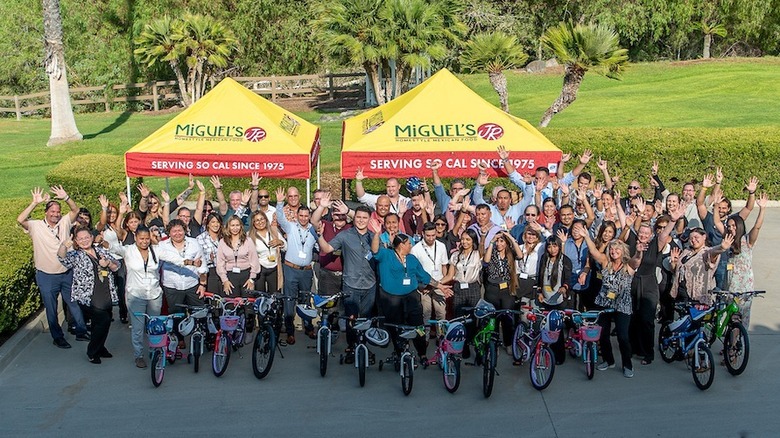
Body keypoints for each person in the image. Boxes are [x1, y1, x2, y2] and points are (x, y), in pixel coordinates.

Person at [17, 186, 89, 349]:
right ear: (46, 212)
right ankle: (58, 337)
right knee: (51, 308)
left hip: (66, 272)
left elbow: (75, 209)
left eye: (58, 211)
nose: (56, 214)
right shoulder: (36, 226)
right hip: (46, 275)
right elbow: (20, 219)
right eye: (52, 211)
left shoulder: (64, 222)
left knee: (73, 303)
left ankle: (81, 331)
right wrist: (34, 203)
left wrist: (66, 197)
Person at [109, 226, 189, 368]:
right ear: (135, 238)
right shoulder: (128, 250)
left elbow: (172, 257)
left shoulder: (156, 250)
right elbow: (113, 247)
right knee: (138, 328)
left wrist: (188, 262)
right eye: (141, 239)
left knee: (154, 326)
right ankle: (138, 355)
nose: (144, 242)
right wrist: (99, 241)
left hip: (154, 294)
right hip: (135, 295)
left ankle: (154, 351)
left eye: (147, 238)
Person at [371, 231, 452, 363]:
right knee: (396, 326)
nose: (411, 246)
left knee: (418, 326)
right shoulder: (387, 254)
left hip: (411, 297)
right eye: (409, 243)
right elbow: (374, 250)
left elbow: (424, 276)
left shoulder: (412, 259)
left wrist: (440, 286)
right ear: (401, 245)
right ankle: (399, 351)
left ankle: (422, 352)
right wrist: (376, 234)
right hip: (391, 298)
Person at [317, 206, 377, 358]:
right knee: (351, 319)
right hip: (351, 283)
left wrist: (377, 234)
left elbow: (376, 252)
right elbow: (328, 248)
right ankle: (351, 346)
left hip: (369, 284)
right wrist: (320, 236)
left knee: (366, 319)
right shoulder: (345, 235)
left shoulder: (373, 236)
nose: (361, 220)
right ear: (354, 218)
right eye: (358, 217)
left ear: (369, 219)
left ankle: (363, 346)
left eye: (364, 218)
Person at [57, 225, 120, 363]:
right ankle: (92, 351)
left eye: (87, 237)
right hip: (88, 295)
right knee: (101, 321)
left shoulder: (100, 251)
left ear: (92, 237)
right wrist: (64, 245)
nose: (84, 241)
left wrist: (108, 263)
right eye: (81, 239)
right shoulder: (76, 254)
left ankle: (100, 347)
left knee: (106, 320)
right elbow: (62, 259)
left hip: (105, 291)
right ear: (77, 242)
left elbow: (116, 266)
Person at [584, 236, 640, 378]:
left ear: (623, 251)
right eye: (612, 249)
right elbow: (594, 251)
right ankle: (608, 360)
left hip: (623, 304)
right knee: (602, 334)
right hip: (604, 302)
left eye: (617, 249)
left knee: (622, 336)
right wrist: (586, 236)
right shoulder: (605, 262)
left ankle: (627, 364)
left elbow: (636, 261)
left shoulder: (628, 265)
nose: (614, 251)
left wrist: (639, 252)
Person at [715, 193, 768, 329]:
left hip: (744, 287)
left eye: (734, 226)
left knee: (742, 319)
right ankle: (729, 344)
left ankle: (737, 345)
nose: (732, 228)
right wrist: (716, 205)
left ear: (740, 226)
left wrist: (762, 209)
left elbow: (757, 227)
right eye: (730, 226)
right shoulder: (727, 239)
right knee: (730, 318)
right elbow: (716, 222)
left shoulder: (747, 240)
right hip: (730, 286)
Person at [275, 187, 317, 344]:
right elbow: (280, 218)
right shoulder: (291, 227)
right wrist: (280, 203)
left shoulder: (314, 230)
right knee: (289, 300)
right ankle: (290, 331)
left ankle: (308, 327)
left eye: (307, 216)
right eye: (301, 215)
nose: (304, 218)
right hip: (291, 269)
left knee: (305, 299)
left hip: (306, 271)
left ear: (309, 216)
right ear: (297, 216)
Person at [158, 219, 208, 343]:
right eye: (174, 231)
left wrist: (202, 284)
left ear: (185, 230)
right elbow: (156, 267)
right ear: (169, 233)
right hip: (172, 286)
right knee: (176, 315)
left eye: (180, 230)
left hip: (192, 284)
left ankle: (200, 337)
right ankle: (179, 339)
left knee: (198, 313)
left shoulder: (194, 243)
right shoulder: (162, 246)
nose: (177, 233)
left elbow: (202, 266)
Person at [440, 228, 482, 359]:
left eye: (468, 239)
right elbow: (450, 275)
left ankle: (472, 344)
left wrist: (484, 235)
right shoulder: (455, 255)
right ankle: (462, 346)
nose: (464, 242)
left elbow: (484, 249)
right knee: (459, 319)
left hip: (473, 288)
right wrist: (437, 283)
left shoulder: (477, 254)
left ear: (473, 241)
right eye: (463, 239)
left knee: (472, 320)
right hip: (459, 288)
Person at [669, 228, 733, 306]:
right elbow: (675, 271)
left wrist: (721, 248)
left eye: (696, 237)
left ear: (704, 237)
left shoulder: (706, 252)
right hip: (680, 293)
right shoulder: (686, 252)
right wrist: (674, 262)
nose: (693, 240)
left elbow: (713, 253)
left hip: (697, 298)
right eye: (691, 238)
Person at [535, 235, 572, 364]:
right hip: (546, 298)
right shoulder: (544, 259)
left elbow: (568, 278)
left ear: (559, 246)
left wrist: (564, 287)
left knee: (557, 329)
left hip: (559, 300)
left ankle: (559, 356)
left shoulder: (565, 260)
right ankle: (546, 352)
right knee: (546, 327)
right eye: (549, 246)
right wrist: (539, 291)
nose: (552, 249)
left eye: (555, 246)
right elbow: (539, 277)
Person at [411, 222, 450, 337]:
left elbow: (444, 266)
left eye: (433, 235)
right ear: (423, 234)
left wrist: (442, 283)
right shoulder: (416, 249)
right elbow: (415, 272)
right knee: (425, 314)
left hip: (439, 284)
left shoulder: (441, 246)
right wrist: (422, 286)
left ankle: (441, 336)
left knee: (441, 313)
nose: (431, 238)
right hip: (424, 287)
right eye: (428, 235)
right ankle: (425, 337)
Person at [483, 231, 521, 351]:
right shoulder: (492, 252)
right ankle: (494, 344)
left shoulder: (510, 253)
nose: (499, 244)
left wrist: (510, 237)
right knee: (493, 318)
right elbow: (487, 260)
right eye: (498, 241)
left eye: (502, 241)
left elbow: (520, 255)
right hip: (492, 289)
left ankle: (508, 343)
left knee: (507, 317)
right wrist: (492, 242)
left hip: (506, 290)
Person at [97, 195, 128, 323]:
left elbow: (121, 236)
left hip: (119, 260)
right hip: (105, 262)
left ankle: (123, 313)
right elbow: (102, 222)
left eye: (114, 212)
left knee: (121, 287)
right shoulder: (101, 226)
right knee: (106, 286)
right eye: (109, 212)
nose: (112, 215)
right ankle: (107, 313)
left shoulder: (118, 227)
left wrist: (121, 213)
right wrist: (104, 208)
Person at [216, 215, 259, 298]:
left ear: (241, 226)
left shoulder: (248, 240)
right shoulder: (222, 242)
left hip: (246, 275)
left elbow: (254, 260)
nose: (235, 228)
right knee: (231, 305)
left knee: (248, 305)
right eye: (232, 225)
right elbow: (220, 263)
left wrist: (252, 279)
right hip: (230, 276)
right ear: (228, 227)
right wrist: (225, 280)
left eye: (237, 225)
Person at [248, 211, 285, 294]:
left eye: (262, 219)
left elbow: (285, 247)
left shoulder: (274, 232)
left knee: (275, 295)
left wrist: (280, 242)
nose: (260, 222)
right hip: (260, 268)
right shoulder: (250, 236)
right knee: (260, 295)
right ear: (253, 223)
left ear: (266, 219)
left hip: (274, 267)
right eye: (257, 220)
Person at [196, 212, 224, 294]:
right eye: (213, 222)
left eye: (218, 222)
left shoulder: (224, 237)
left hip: (225, 271)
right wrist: (209, 258)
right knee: (214, 300)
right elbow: (198, 259)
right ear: (208, 224)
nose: (216, 225)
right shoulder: (200, 238)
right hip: (210, 273)